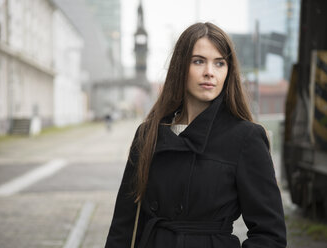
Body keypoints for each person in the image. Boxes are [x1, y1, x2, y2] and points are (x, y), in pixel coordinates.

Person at [105, 22, 286, 248]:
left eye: (219, 63)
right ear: (181, 67)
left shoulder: (245, 137)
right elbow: (124, 226)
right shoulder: (148, 134)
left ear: (228, 72)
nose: (209, 72)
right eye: (198, 61)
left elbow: (270, 234)